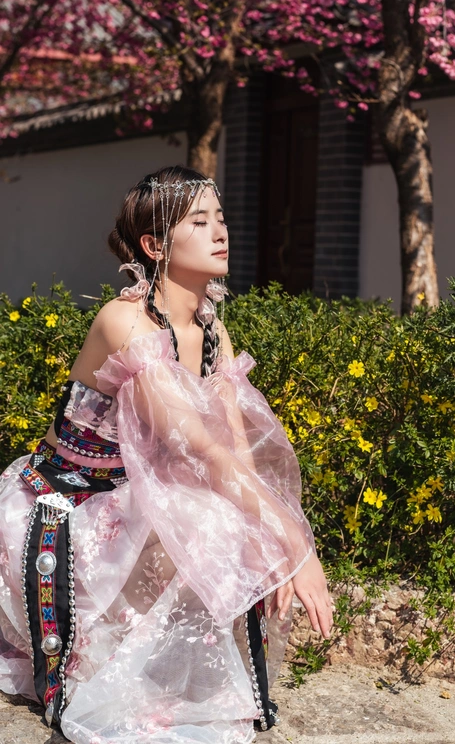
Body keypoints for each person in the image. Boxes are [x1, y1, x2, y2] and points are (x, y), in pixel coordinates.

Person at [0, 165, 332, 744]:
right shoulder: (125, 320)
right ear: (155, 246)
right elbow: (198, 448)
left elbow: (236, 452)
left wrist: (271, 540)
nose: (220, 231)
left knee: (231, 519)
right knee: (210, 518)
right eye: (199, 222)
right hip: (67, 506)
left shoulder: (212, 329)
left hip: (134, 500)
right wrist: (295, 545)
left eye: (220, 217)